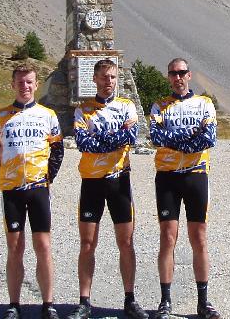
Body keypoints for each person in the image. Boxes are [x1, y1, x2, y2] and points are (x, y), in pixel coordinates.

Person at [68, 59, 148, 319]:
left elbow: (131, 138)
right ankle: (84, 302)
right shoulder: (83, 109)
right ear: (95, 79)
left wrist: (100, 138)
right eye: (103, 77)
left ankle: (129, 299)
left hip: (119, 181)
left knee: (125, 242)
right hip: (91, 182)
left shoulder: (127, 106)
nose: (108, 82)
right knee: (87, 243)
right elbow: (83, 144)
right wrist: (113, 139)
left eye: (112, 77)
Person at [0, 64, 64, 319]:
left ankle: (48, 304)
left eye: (29, 82)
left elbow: (58, 150)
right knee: (15, 247)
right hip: (12, 191)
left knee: (43, 246)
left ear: (36, 84)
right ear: (13, 84)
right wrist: (5, 174)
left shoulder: (47, 114)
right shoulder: (0, 116)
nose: (25, 86)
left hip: (38, 189)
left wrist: (46, 177)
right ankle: (14, 304)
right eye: (20, 82)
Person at [148, 58, 221, 319]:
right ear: (168, 77)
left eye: (182, 73)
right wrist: (190, 138)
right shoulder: (160, 106)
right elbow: (156, 138)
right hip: (167, 176)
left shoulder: (204, 103)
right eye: (173, 73)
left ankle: (203, 302)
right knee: (168, 238)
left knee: (198, 238)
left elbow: (208, 138)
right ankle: (165, 302)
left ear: (189, 75)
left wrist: (174, 141)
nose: (177, 77)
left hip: (196, 175)